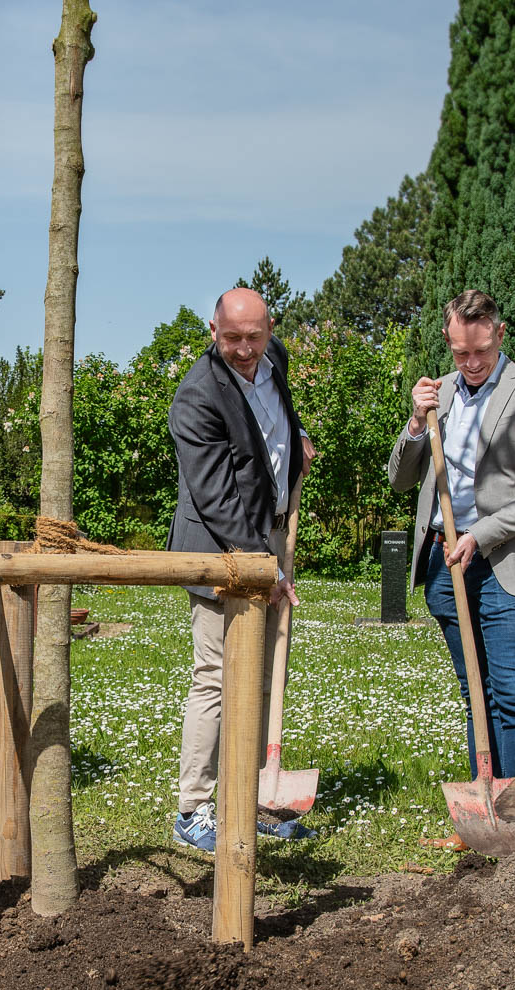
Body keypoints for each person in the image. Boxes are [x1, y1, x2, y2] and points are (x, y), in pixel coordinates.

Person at [387, 289, 515, 852]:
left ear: (500, 333)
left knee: (513, 691)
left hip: (505, 559)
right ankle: (485, 813)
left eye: (481, 350)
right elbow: (401, 478)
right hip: (444, 560)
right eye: (461, 352)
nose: (471, 363)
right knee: (475, 693)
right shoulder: (437, 395)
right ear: (449, 341)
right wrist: (417, 422)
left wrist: (480, 535)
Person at [164, 287, 315, 853]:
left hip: (267, 534)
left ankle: (243, 795)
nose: (245, 349)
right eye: (232, 339)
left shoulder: (271, 364)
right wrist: (265, 565)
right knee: (217, 676)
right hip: (221, 548)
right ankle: (195, 807)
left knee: (258, 673)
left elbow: (271, 430)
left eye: (255, 337)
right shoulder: (197, 397)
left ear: (270, 329)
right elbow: (215, 496)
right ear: (213, 330)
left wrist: (293, 442)